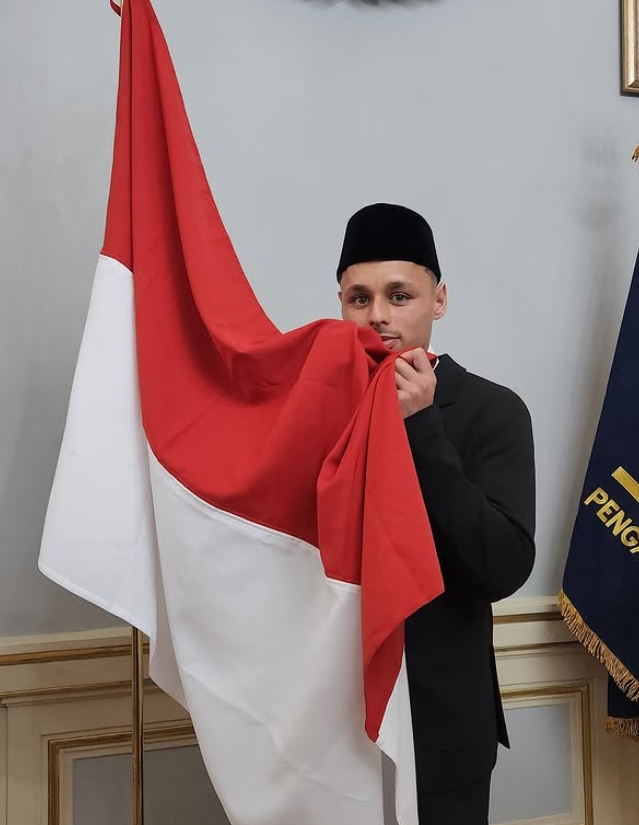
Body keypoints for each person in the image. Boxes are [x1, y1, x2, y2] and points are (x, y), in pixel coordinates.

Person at [336, 203, 536, 825]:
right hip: (330, 722)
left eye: (399, 295)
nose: (378, 315)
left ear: (439, 300)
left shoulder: (492, 410)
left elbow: (501, 566)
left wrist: (422, 427)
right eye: (359, 298)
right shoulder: (321, 411)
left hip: (441, 729)